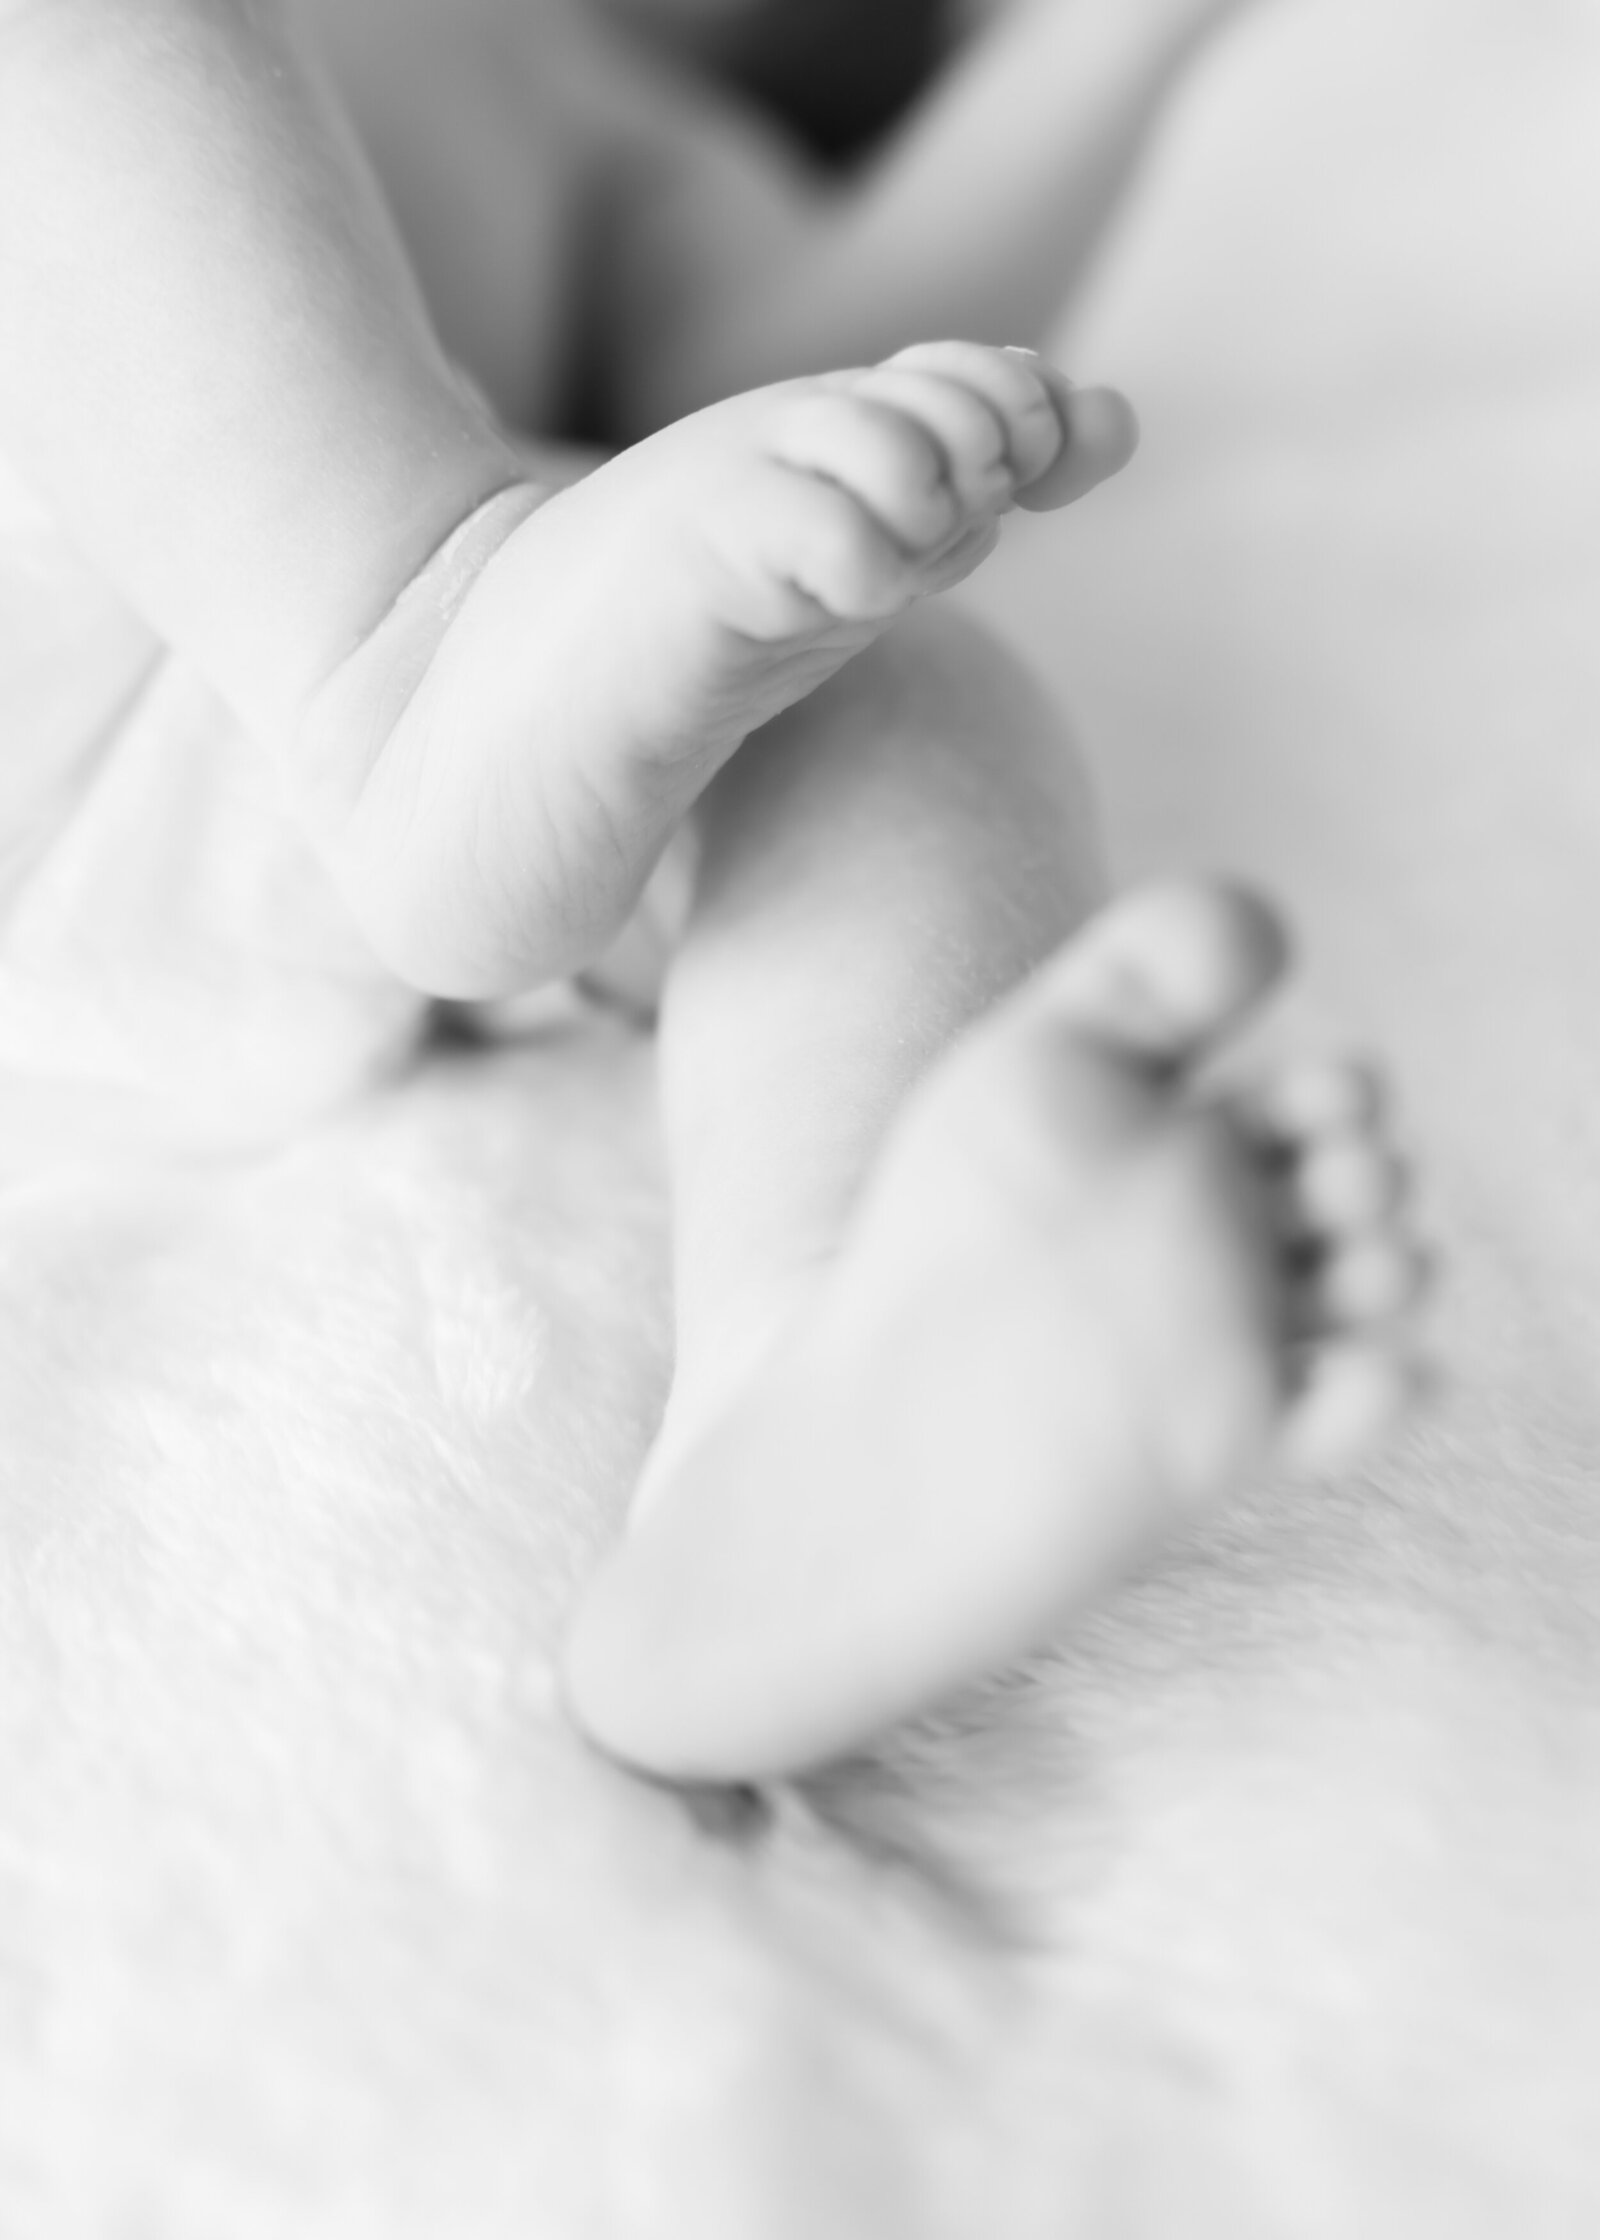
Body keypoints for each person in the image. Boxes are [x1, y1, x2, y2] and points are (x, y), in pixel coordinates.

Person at [0, 0, 1425, 1782]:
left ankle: (803, 1405)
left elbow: (793, 381)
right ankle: (407, 648)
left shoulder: (621, 130)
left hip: (213, 774)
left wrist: (1113, 44)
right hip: (207, 612)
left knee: (890, 700)